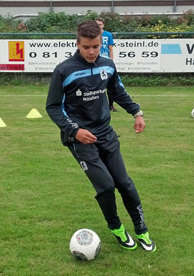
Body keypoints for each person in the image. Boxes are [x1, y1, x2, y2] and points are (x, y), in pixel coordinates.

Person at [46, 20, 156, 252]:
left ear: (101, 44)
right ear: (78, 44)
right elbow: (53, 106)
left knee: (124, 183)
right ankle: (116, 227)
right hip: (79, 138)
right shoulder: (64, 70)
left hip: (105, 133)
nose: (91, 51)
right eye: (86, 47)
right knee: (106, 186)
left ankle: (142, 229)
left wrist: (136, 112)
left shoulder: (108, 65)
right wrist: (75, 130)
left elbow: (117, 91)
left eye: (95, 46)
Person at [96, 17, 117, 112]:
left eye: (100, 24)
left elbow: (110, 49)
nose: (99, 26)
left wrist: (111, 61)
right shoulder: (93, 34)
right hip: (96, 62)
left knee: (110, 85)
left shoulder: (108, 35)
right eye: (97, 24)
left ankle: (111, 105)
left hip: (105, 61)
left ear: (103, 25)